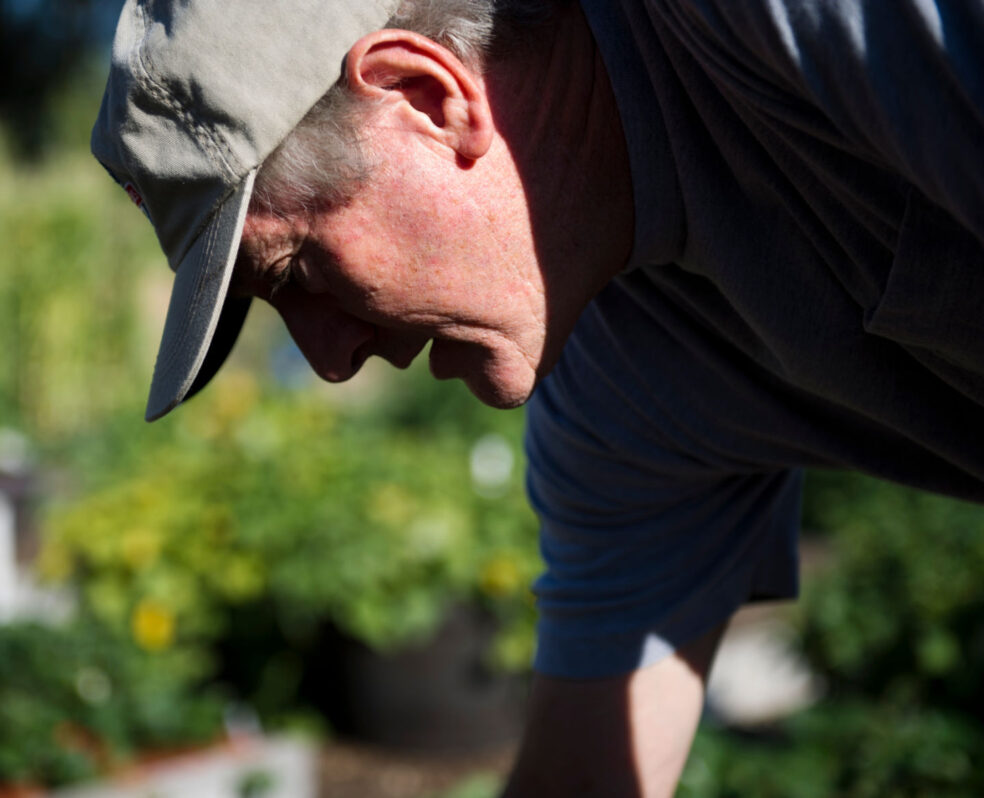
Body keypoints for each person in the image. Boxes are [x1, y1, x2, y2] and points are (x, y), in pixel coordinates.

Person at [91, 0, 984, 794]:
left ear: (428, 97)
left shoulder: (806, 23)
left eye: (297, 271)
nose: (330, 361)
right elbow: (586, 777)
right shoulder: (621, 377)